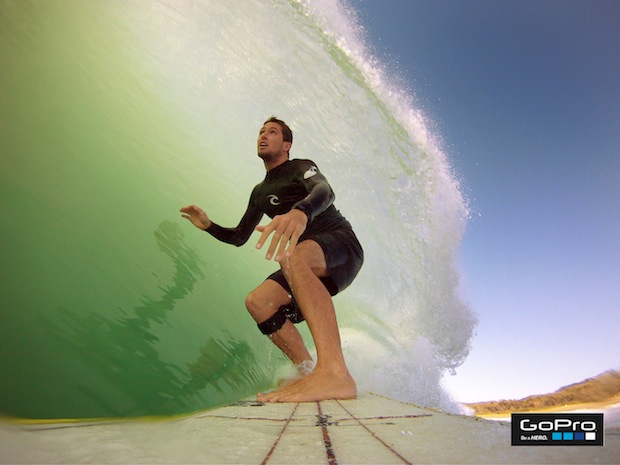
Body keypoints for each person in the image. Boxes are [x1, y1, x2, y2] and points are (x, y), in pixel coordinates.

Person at [180, 117, 363, 402]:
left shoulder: (300, 167)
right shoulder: (260, 193)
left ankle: (335, 373)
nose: (264, 135)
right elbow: (240, 236)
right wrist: (208, 226)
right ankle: (307, 372)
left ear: (287, 145)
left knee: (292, 258)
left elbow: (325, 191)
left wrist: (301, 212)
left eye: (273, 132)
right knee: (259, 301)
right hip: (304, 261)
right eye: (261, 131)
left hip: (342, 245)